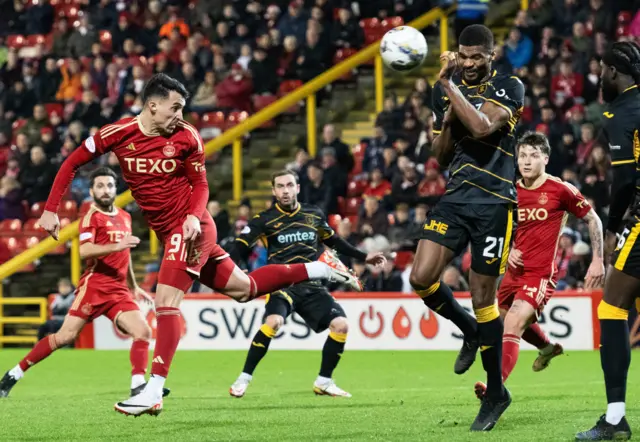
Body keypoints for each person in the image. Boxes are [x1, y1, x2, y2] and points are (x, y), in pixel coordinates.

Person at [35, 74, 362, 417]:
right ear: (152, 105)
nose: (179, 114)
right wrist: (50, 209)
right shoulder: (117, 134)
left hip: (192, 227)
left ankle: (154, 390)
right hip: (171, 232)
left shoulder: (187, 136)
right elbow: (72, 161)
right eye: (174, 107)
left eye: (182, 108)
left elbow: (201, 184)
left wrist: (193, 216)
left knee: (165, 302)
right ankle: (321, 266)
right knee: (244, 288)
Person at [409, 24, 525, 431]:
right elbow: (440, 156)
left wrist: (449, 88)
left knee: (483, 297)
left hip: (494, 203)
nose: (470, 64)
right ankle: (471, 331)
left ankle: (496, 393)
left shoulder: (510, 86)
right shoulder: (451, 92)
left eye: (478, 57)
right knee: (420, 278)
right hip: (456, 197)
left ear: (491, 56)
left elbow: (481, 127)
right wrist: (445, 110)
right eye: (464, 56)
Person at [0, 168, 171, 399]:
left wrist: (134, 286)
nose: (105, 190)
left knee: (142, 331)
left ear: (115, 188)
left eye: (109, 185)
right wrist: (118, 245)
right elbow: (85, 251)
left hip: (119, 289)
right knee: (64, 337)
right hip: (94, 287)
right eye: (99, 186)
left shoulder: (125, 216)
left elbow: (126, 255)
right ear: (91, 191)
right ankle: (14, 373)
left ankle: (138, 385)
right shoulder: (91, 217)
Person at [228, 170, 385, 399]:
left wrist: (363, 257)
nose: (285, 190)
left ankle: (324, 381)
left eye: (289, 185)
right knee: (274, 322)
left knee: (341, 325)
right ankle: (244, 378)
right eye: (280, 186)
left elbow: (334, 241)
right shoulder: (264, 219)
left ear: (298, 188)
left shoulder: (313, 214)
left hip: (312, 285)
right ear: (273, 191)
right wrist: (235, 267)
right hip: (282, 284)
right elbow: (239, 246)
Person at [473, 132, 604, 398]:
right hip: (512, 273)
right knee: (505, 319)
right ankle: (547, 348)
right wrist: (508, 250)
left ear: (545, 158)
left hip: (540, 273)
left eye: (533, 156)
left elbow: (593, 219)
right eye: (522, 156)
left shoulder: (560, 189)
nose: (527, 161)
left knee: (511, 324)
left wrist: (598, 260)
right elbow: (498, 227)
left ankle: (495, 387)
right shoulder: (510, 191)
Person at [576, 41, 640, 441]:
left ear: (613, 72)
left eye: (601, 69)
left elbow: (625, 181)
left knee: (612, 310)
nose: (599, 76)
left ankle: (615, 419)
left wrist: (614, 224)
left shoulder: (620, 112)